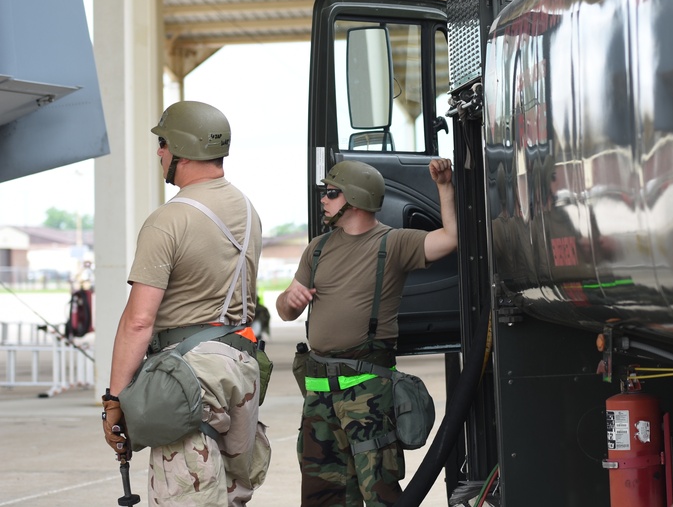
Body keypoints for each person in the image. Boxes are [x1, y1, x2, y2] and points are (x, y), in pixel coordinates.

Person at [100, 100, 269, 506]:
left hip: (190, 379)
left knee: (186, 496)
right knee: (233, 495)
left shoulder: (170, 219)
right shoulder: (248, 211)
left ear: (181, 148)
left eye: (162, 142)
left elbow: (138, 321)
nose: (158, 151)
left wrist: (116, 401)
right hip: (240, 366)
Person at [276, 158, 457, 506]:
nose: (323, 200)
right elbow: (286, 310)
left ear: (355, 198)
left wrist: (445, 188)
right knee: (321, 497)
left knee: (379, 494)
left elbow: (450, 239)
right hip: (319, 397)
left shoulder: (393, 244)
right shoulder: (318, 249)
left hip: (368, 397)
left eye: (331, 193)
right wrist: (289, 299)